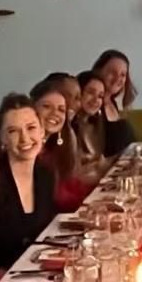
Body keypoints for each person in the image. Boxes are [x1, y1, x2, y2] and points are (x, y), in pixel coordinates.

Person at [0, 93, 58, 270]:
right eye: (13, 131)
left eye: (31, 128)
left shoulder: (46, 175)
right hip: (2, 278)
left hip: (40, 271)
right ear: (2, 139)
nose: (25, 138)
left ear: (42, 131)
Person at [32, 75, 90, 211]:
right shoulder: (27, 149)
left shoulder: (59, 145)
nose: (55, 113)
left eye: (61, 109)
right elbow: (58, 199)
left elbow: (73, 184)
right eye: (47, 106)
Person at [92, 49, 137, 155]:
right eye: (112, 72)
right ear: (98, 71)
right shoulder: (92, 107)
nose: (118, 78)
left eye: (123, 75)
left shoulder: (113, 103)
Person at [73, 70, 110, 167]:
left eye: (100, 96)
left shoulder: (95, 126)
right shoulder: (68, 127)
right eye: (90, 92)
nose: (96, 100)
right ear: (78, 93)